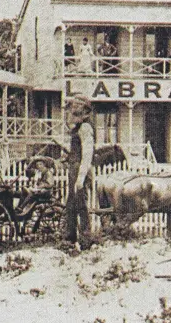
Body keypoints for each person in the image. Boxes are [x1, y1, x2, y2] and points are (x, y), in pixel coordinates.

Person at [65, 94, 94, 248]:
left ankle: (86, 239)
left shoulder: (86, 128)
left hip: (80, 170)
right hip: (73, 168)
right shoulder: (77, 128)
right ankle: (70, 238)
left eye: (76, 111)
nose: (72, 114)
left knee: (81, 204)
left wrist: (81, 177)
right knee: (71, 204)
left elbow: (87, 154)